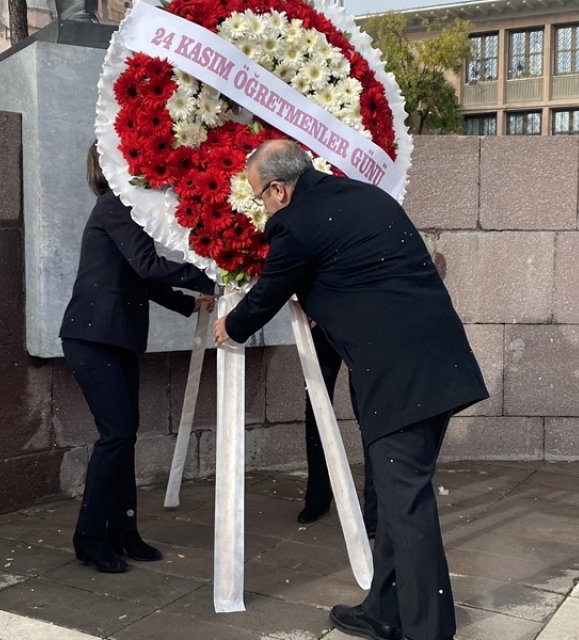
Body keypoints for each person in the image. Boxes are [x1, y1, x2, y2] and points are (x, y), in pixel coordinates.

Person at [213, 140, 488, 640]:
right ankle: (384, 609)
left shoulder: (296, 222)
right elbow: (366, 272)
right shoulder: (366, 196)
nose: (263, 207)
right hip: (441, 363)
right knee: (394, 494)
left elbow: (269, 293)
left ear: (278, 189)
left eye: (260, 197)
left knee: (405, 505)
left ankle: (430, 631)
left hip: (399, 378)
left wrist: (230, 326)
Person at [61, 141, 216, 573]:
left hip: (115, 338)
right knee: (116, 436)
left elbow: (140, 277)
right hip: (93, 338)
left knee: (123, 436)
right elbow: (149, 266)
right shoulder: (115, 207)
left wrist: (189, 303)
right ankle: (90, 539)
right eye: (134, 163)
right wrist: (209, 276)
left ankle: (124, 533)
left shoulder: (127, 211)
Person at [298, 328, 378, 539]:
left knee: (369, 409)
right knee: (317, 404)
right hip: (322, 317)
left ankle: (375, 509)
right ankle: (318, 495)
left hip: (361, 319)